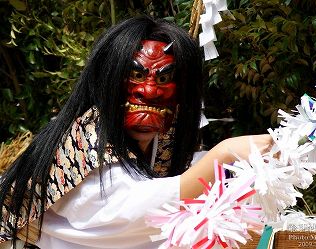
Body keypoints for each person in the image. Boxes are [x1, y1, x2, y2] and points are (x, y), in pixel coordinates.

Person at [0, 15, 272, 249]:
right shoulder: (87, 134)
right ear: (108, 78)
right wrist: (222, 155)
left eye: (164, 78)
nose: (149, 91)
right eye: (137, 75)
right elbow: (126, 213)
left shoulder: (166, 135)